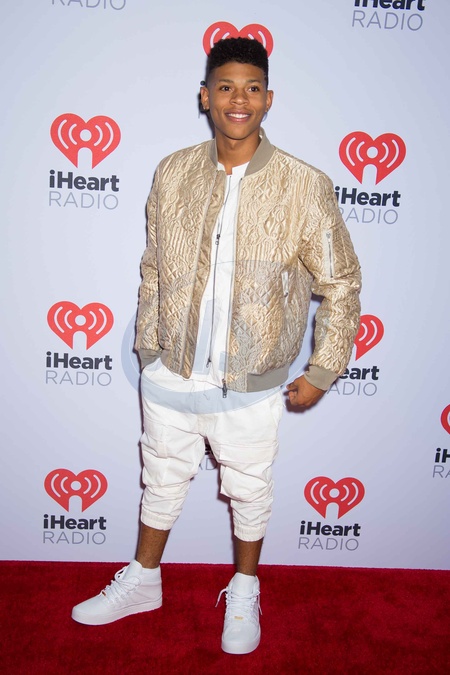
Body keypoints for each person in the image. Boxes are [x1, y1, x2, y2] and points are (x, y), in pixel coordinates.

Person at [72, 37, 361, 655]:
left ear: (268, 99)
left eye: (252, 88)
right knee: (161, 478)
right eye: (226, 86)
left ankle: (245, 589)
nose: (239, 99)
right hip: (170, 371)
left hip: (251, 379)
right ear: (206, 96)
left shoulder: (304, 184)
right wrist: (150, 349)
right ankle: (143, 580)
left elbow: (341, 282)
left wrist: (325, 368)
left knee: (250, 488)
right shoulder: (173, 171)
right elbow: (154, 265)